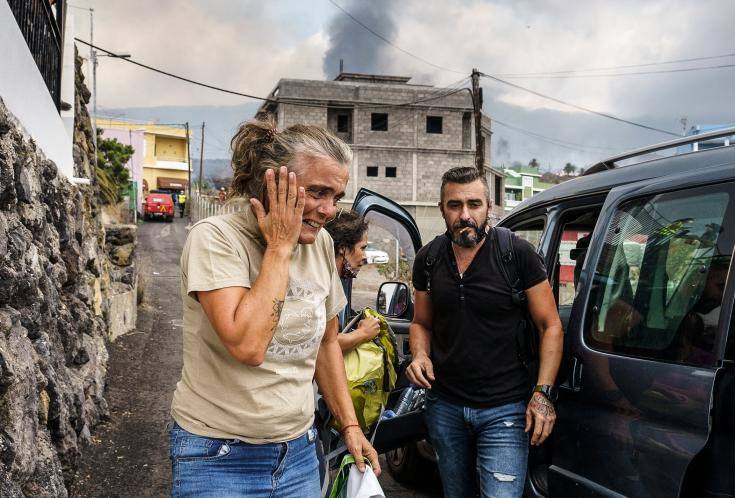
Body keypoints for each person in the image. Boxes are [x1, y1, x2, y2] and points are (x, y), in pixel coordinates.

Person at [170, 119, 380, 497]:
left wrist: (350, 426)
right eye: (317, 192)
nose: (330, 209)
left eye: (336, 196)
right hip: (218, 455)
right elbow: (248, 346)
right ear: (273, 182)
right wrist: (280, 247)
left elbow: (327, 343)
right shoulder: (217, 239)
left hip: (298, 453)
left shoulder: (319, 245)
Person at [406, 166, 563, 497]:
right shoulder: (429, 260)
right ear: (442, 209)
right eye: (454, 205)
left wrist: (543, 393)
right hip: (445, 406)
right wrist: (419, 354)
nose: (465, 215)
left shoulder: (516, 254)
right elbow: (421, 323)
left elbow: (550, 325)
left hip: (505, 410)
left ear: (488, 207)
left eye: (474, 204)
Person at [324, 211, 381, 353]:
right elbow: (325, 344)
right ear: (343, 248)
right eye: (362, 248)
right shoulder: (323, 283)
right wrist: (363, 333)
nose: (365, 257)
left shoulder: (330, 279)